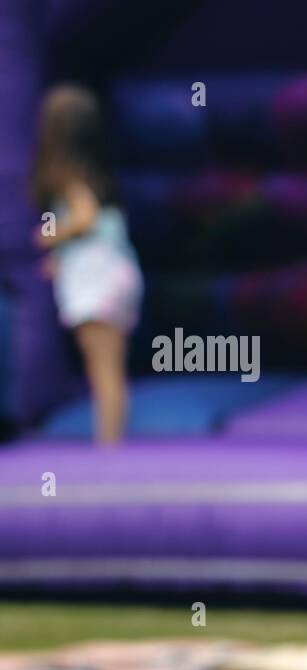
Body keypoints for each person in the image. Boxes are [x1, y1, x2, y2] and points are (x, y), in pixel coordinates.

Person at [30, 83, 143, 445]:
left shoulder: (69, 177)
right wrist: (60, 257)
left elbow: (84, 217)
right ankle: (112, 441)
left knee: (102, 367)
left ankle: (108, 445)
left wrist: (50, 237)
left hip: (97, 279)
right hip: (116, 272)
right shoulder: (96, 173)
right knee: (110, 366)